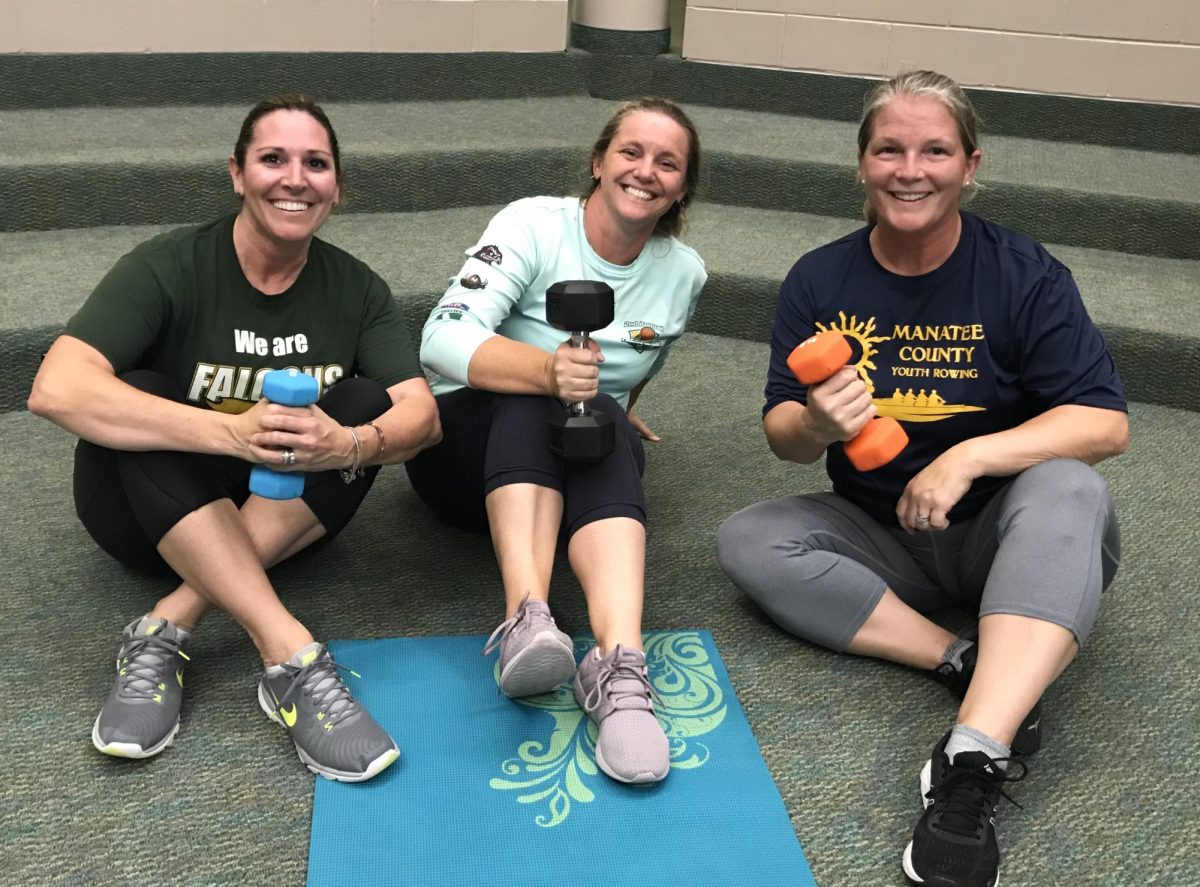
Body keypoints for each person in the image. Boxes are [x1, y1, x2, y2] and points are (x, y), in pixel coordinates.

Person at [717, 71, 1127, 887]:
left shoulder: (1022, 272)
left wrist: (967, 456)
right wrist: (819, 424)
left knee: (1074, 488)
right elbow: (783, 440)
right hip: (879, 531)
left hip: (1003, 530)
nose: (912, 170)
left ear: (971, 164)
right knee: (748, 539)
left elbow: (1104, 423)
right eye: (890, 149)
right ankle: (961, 658)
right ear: (862, 164)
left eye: (935, 150)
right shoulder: (819, 280)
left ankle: (971, 756)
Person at [27, 94, 441, 783]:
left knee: (365, 406)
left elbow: (420, 415)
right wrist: (230, 433)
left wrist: (348, 445)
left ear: (336, 187)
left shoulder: (357, 288)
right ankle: (290, 653)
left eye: (316, 163)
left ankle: (168, 623)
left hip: (280, 516)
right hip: (145, 511)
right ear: (237, 173)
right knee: (139, 391)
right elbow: (56, 387)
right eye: (272, 158)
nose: (295, 178)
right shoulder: (170, 265)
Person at [406, 98, 706, 785]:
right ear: (598, 162)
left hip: (565, 467)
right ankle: (526, 618)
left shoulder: (684, 272)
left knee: (604, 423)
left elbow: (637, 368)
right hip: (461, 453)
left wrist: (614, 409)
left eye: (668, 162)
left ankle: (621, 667)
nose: (646, 171)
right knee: (541, 399)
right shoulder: (532, 225)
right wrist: (546, 371)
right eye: (630, 152)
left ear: (682, 187)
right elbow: (440, 340)